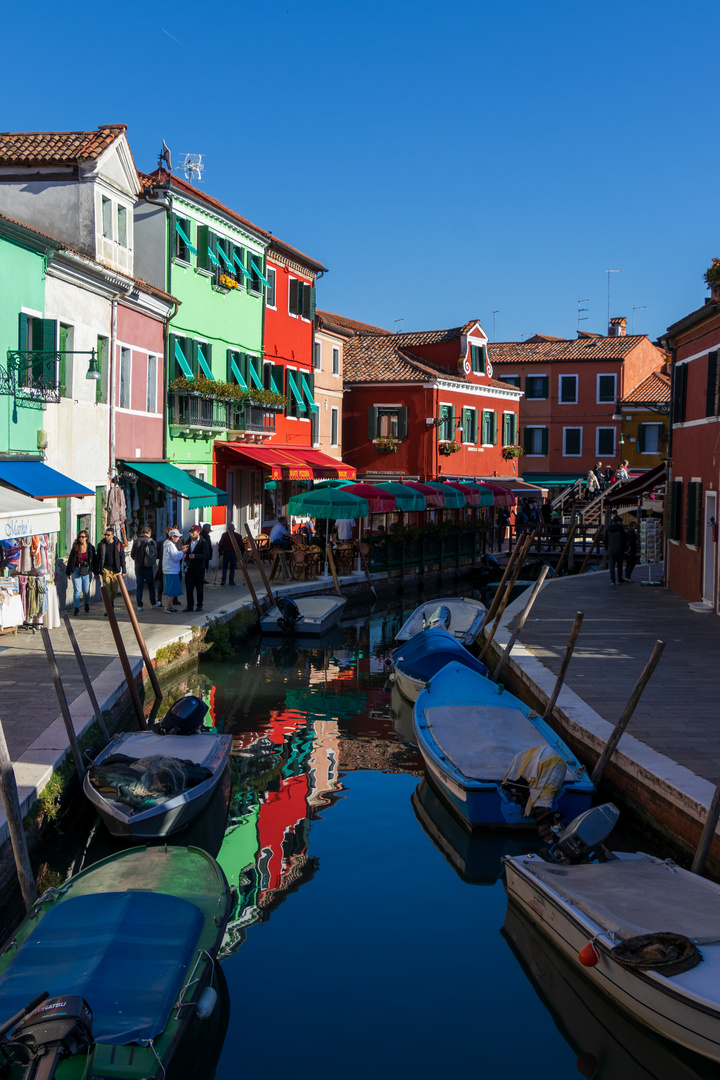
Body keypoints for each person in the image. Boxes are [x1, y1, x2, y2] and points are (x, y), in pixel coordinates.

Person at [95, 527, 126, 611]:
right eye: (105, 535)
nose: (106, 536)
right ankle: (109, 609)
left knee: (114, 590)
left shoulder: (118, 544)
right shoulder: (101, 545)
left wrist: (124, 571)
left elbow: (122, 557)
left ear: (112, 535)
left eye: (108, 535)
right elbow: (98, 558)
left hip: (115, 570)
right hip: (105, 570)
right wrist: (96, 572)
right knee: (107, 589)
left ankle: (111, 602)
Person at [130, 525, 160, 611]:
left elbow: (132, 554)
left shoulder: (136, 541)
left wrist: (137, 560)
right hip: (147, 566)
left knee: (139, 586)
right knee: (150, 585)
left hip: (138, 566)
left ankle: (139, 605)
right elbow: (153, 554)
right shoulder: (150, 541)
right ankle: (153, 602)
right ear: (149, 533)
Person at [66, 530, 96, 615]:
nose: (81, 538)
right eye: (79, 537)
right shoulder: (75, 548)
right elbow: (71, 560)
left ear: (86, 538)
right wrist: (68, 572)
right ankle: (77, 608)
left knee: (86, 590)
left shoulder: (90, 548)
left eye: (83, 537)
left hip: (86, 571)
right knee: (77, 590)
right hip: (76, 570)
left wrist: (95, 572)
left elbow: (93, 560)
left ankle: (86, 603)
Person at [184, 524, 211, 612]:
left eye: (193, 533)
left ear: (198, 532)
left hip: (199, 568)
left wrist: (196, 556)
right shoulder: (188, 541)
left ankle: (199, 605)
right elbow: (185, 553)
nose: (191, 534)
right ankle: (189, 605)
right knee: (189, 587)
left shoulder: (203, 542)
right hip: (189, 567)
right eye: (190, 533)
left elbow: (206, 555)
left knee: (199, 587)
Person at [162, 529, 185, 613]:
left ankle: (170, 606)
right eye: (177, 537)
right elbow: (175, 557)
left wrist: (181, 552)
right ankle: (168, 607)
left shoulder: (167, 544)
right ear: (173, 537)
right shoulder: (170, 545)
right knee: (172, 590)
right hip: (171, 570)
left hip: (168, 570)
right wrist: (183, 552)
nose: (178, 538)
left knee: (169, 590)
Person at [604, 512, 627, 585]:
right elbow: (624, 540)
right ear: (618, 522)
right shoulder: (620, 529)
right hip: (619, 549)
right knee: (619, 565)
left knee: (611, 565)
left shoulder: (608, 529)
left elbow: (605, 540)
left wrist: (607, 548)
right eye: (620, 521)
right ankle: (619, 578)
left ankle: (612, 580)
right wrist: (625, 549)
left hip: (611, 549)